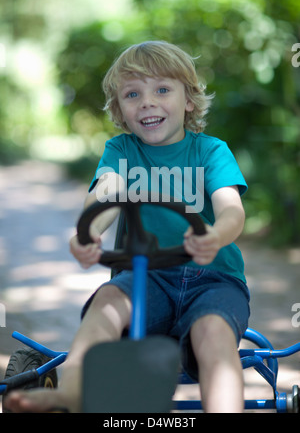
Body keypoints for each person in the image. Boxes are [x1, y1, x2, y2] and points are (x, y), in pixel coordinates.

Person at [5, 40, 250, 413]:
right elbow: (104, 199)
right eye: (133, 94)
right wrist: (87, 234)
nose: (147, 102)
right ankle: (75, 389)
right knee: (106, 305)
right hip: (144, 276)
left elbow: (231, 210)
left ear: (188, 100)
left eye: (162, 90)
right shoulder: (121, 152)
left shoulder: (210, 152)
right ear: (120, 109)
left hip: (212, 278)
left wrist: (215, 235)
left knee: (213, 331)